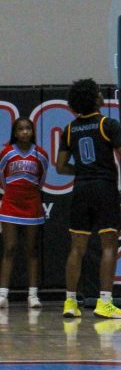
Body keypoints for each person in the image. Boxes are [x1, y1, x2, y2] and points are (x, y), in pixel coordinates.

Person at [56, 78, 121, 319]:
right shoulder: (108, 124)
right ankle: (105, 302)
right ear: (95, 99)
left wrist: (81, 171)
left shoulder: (69, 129)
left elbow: (60, 166)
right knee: (109, 247)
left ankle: (70, 302)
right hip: (104, 188)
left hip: (80, 189)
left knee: (77, 249)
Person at [0, 117, 49, 308]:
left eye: (28, 128)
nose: (25, 132)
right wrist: (10, 192)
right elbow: (2, 178)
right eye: (21, 129)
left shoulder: (40, 154)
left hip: (32, 204)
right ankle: (3, 294)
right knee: (9, 248)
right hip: (11, 203)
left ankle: (33, 295)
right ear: (15, 132)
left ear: (33, 131)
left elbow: (42, 178)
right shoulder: (6, 153)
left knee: (32, 250)